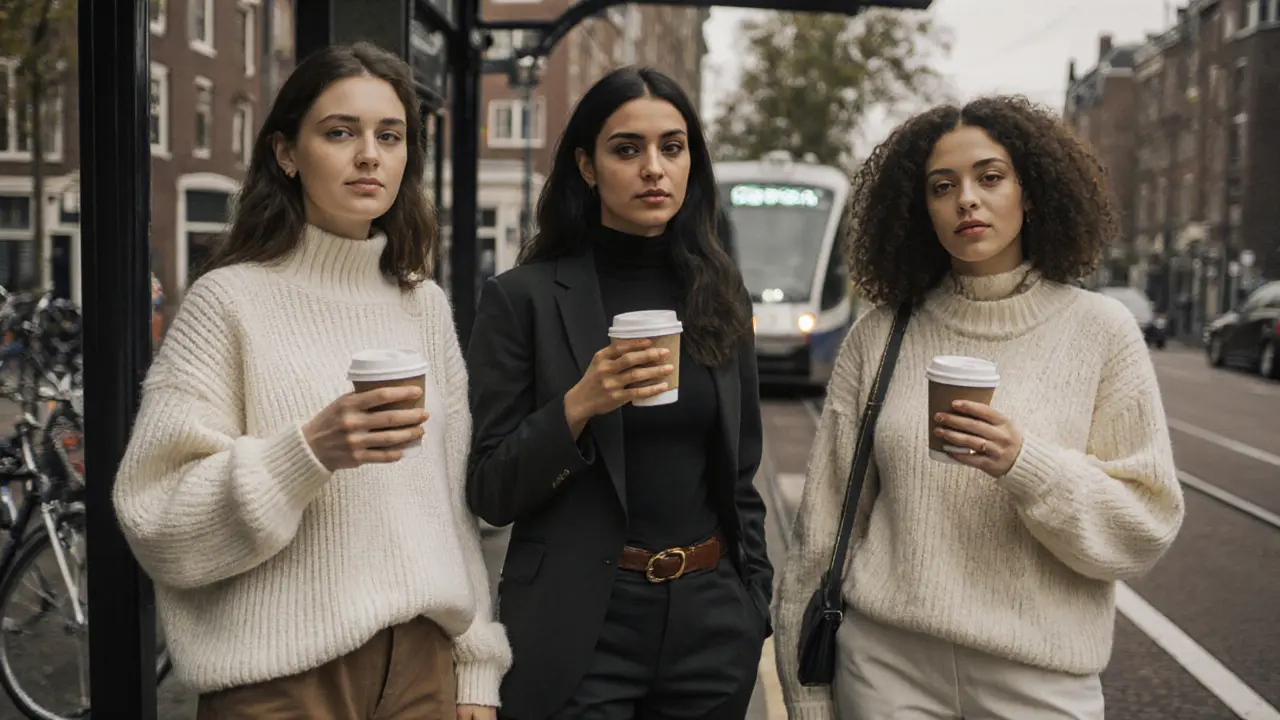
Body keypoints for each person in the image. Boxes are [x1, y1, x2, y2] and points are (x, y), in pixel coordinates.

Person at [113, 42, 509, 720]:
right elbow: (156, 516)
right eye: (339, 132)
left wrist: (475, 666)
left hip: (423, 671)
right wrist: (308, 452)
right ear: (286, 154)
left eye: (390, 136)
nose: (369, 155)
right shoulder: (228, 302)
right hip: (280, 681)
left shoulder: (425, 306)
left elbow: (449, 508)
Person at [774, 96, 1185, 719]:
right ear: (922, 211)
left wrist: (1025, 463)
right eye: (944, 186)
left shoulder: (1102, 332)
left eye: (990, 177)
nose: (967, 198)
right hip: (886, 669)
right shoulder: (880, 334)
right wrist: (806, 698)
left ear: (1032, 190)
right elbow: (823, 531)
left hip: (1040, 679)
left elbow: (1143, 528)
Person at [465, 66, 770, 720]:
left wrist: (753, 607)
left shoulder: (719, 294)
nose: (654, 167)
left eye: (672, 146)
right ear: (587, 165)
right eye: (627, 149)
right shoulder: (523, 300)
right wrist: (579, 405)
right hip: (580, 625)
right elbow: (489, 489)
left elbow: (742, 474)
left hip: (710, 622)